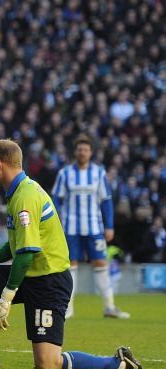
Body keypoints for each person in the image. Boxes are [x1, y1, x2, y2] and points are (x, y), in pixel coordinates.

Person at [0, 139, 141, 369]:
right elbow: (18, 244)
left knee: (48, 363)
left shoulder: (25, 197)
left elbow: (27, 252)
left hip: (49, 281)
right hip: (29, 272)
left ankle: (118, 362)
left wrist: (6, 297)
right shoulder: (18, 191)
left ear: (0, 165)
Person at [51, 135, 129, 319]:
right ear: (75, 152)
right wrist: (57, 221)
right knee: (70, 265)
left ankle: (109, 307)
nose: (82, 152)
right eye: (79, 149)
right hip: (70, 228)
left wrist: (109, 226)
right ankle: (68, 308)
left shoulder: (99, 173)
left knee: (101, 263)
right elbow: (56, 199)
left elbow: (106, 201)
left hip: (94, 227)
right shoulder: (65, 173)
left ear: (91, 152)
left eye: (85, 149)